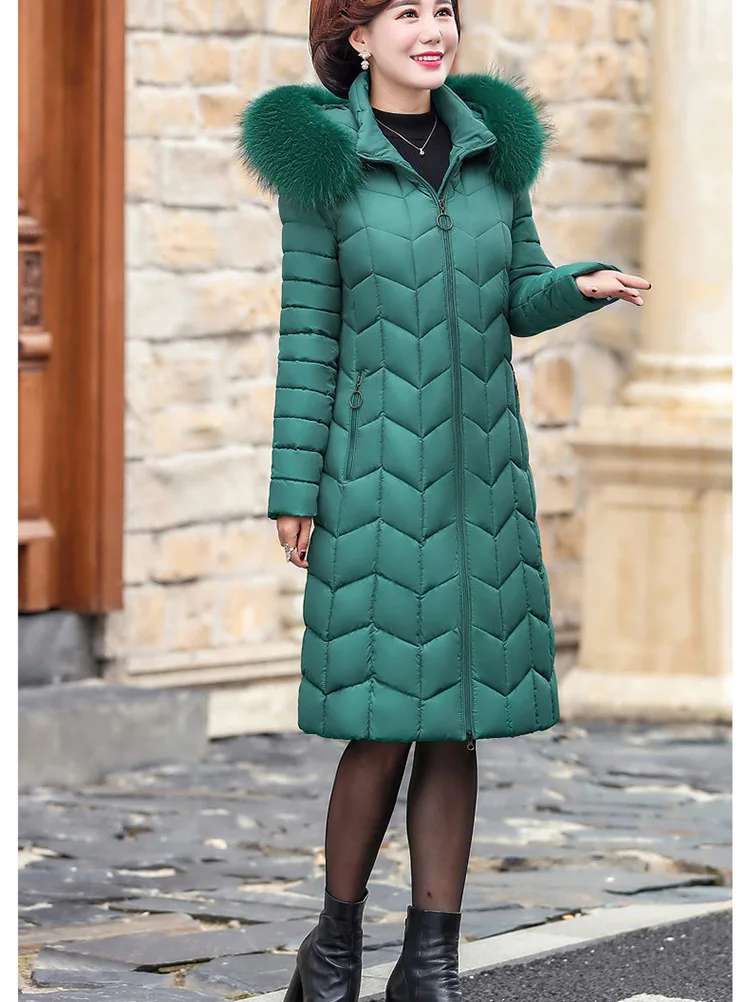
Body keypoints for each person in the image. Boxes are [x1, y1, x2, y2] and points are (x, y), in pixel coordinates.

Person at [238, 1, 650, 1000]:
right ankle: (333, 951)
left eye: (444, 10)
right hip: (371, 475)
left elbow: (518, 294)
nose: (434, 30)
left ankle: (431, 965)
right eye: (407, 12)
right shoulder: (325, 165)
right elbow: (310, 335)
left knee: (455, 721)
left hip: (480, 478)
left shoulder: (493, 149)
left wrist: (578, 284)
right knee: (381, 721)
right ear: (358, 37)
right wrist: (296, 486)